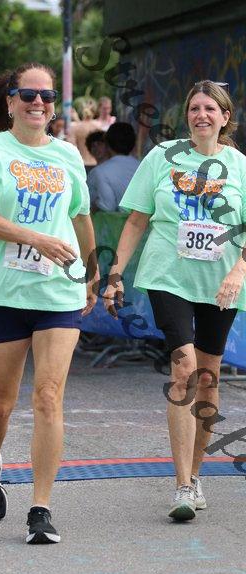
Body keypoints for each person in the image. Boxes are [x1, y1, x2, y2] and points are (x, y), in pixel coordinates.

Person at [0, 62, 98, 544]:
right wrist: (36, 239)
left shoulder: (67, 155)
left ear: (55, 107)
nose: (39, 102)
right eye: (28, 95)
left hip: (57, 291)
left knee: (48, 395)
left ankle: (41, 508)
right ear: (10, 101)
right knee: (0, 404)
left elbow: (80, 217)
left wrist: (92, 273)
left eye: (47, 96)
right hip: (2, 291)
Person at [103, 81, 246, 521]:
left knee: (208, 378)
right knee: (184, 369)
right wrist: (115, 275)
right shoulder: (164, 156)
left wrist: (238, 271)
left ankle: (197, 475)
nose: (201, 115)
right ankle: (182, 485)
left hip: (220, 284)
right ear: (187, 116)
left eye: (210, 109)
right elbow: (137, 220)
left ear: (225, 117)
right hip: (168, 276)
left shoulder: (240, 166)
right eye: (194, 108)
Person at [87, 122, 140, 213]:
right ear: (134, 144)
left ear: (107, 144)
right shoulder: (144, 167)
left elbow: (107, 206)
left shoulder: (99, 172)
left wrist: (96, 204)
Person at [67, 102, 99, 172]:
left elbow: (71, 148)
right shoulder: (97, 128)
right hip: (96, 164)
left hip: (81, 164)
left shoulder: (75, 128)